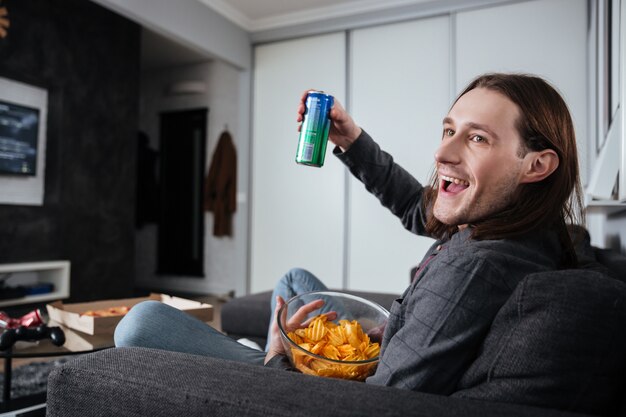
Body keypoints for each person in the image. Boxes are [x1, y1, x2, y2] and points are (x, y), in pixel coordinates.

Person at [115, 73, 584, 395]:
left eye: (477, 137)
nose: (443, 151)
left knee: (140, 324)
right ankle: (250, 351)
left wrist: (283, 359)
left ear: (536, 164)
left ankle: (252, 357)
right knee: (295, 281)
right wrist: (350, 139)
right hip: (391, 343)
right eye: (448, 129)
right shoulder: (515, 223)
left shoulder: (478, 264)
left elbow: (381, 400)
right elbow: (415, 207)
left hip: (339, 386)